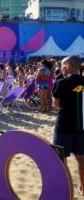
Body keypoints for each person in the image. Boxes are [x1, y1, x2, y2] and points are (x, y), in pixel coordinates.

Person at [52, 56, 84, 196]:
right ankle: (83, 186)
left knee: (60, 159)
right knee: (81, 159)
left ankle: (67, 190)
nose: (61, 68)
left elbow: (56, 104)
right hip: (82, 125)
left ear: (69, 66)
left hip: (64, 125)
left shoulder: (61, 82)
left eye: (63, 65)